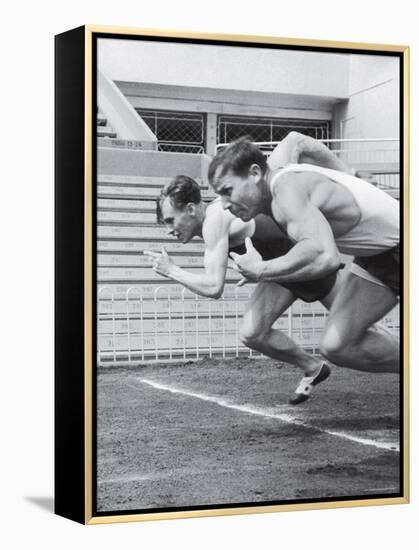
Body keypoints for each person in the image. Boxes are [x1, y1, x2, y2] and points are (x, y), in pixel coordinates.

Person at [208, 135, 400, 380]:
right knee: (336, 345)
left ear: (255, 174)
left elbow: (325, 257)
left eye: (227, 191)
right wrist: (348, 172)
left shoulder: (285, 190)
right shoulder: (275, 179)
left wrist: (261, 270)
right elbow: (296, 140)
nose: (224, 204)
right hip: (375, 256)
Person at [145, 175, 341, 404]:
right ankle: (313, 367)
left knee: (355, 334)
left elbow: (214, 288)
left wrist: (171, 271)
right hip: (278, 273)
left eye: (170, 220)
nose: (169, 230)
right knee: (251, 334)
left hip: (304, 263)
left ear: (190, 208)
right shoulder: (210, 230)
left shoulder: (214, 219)